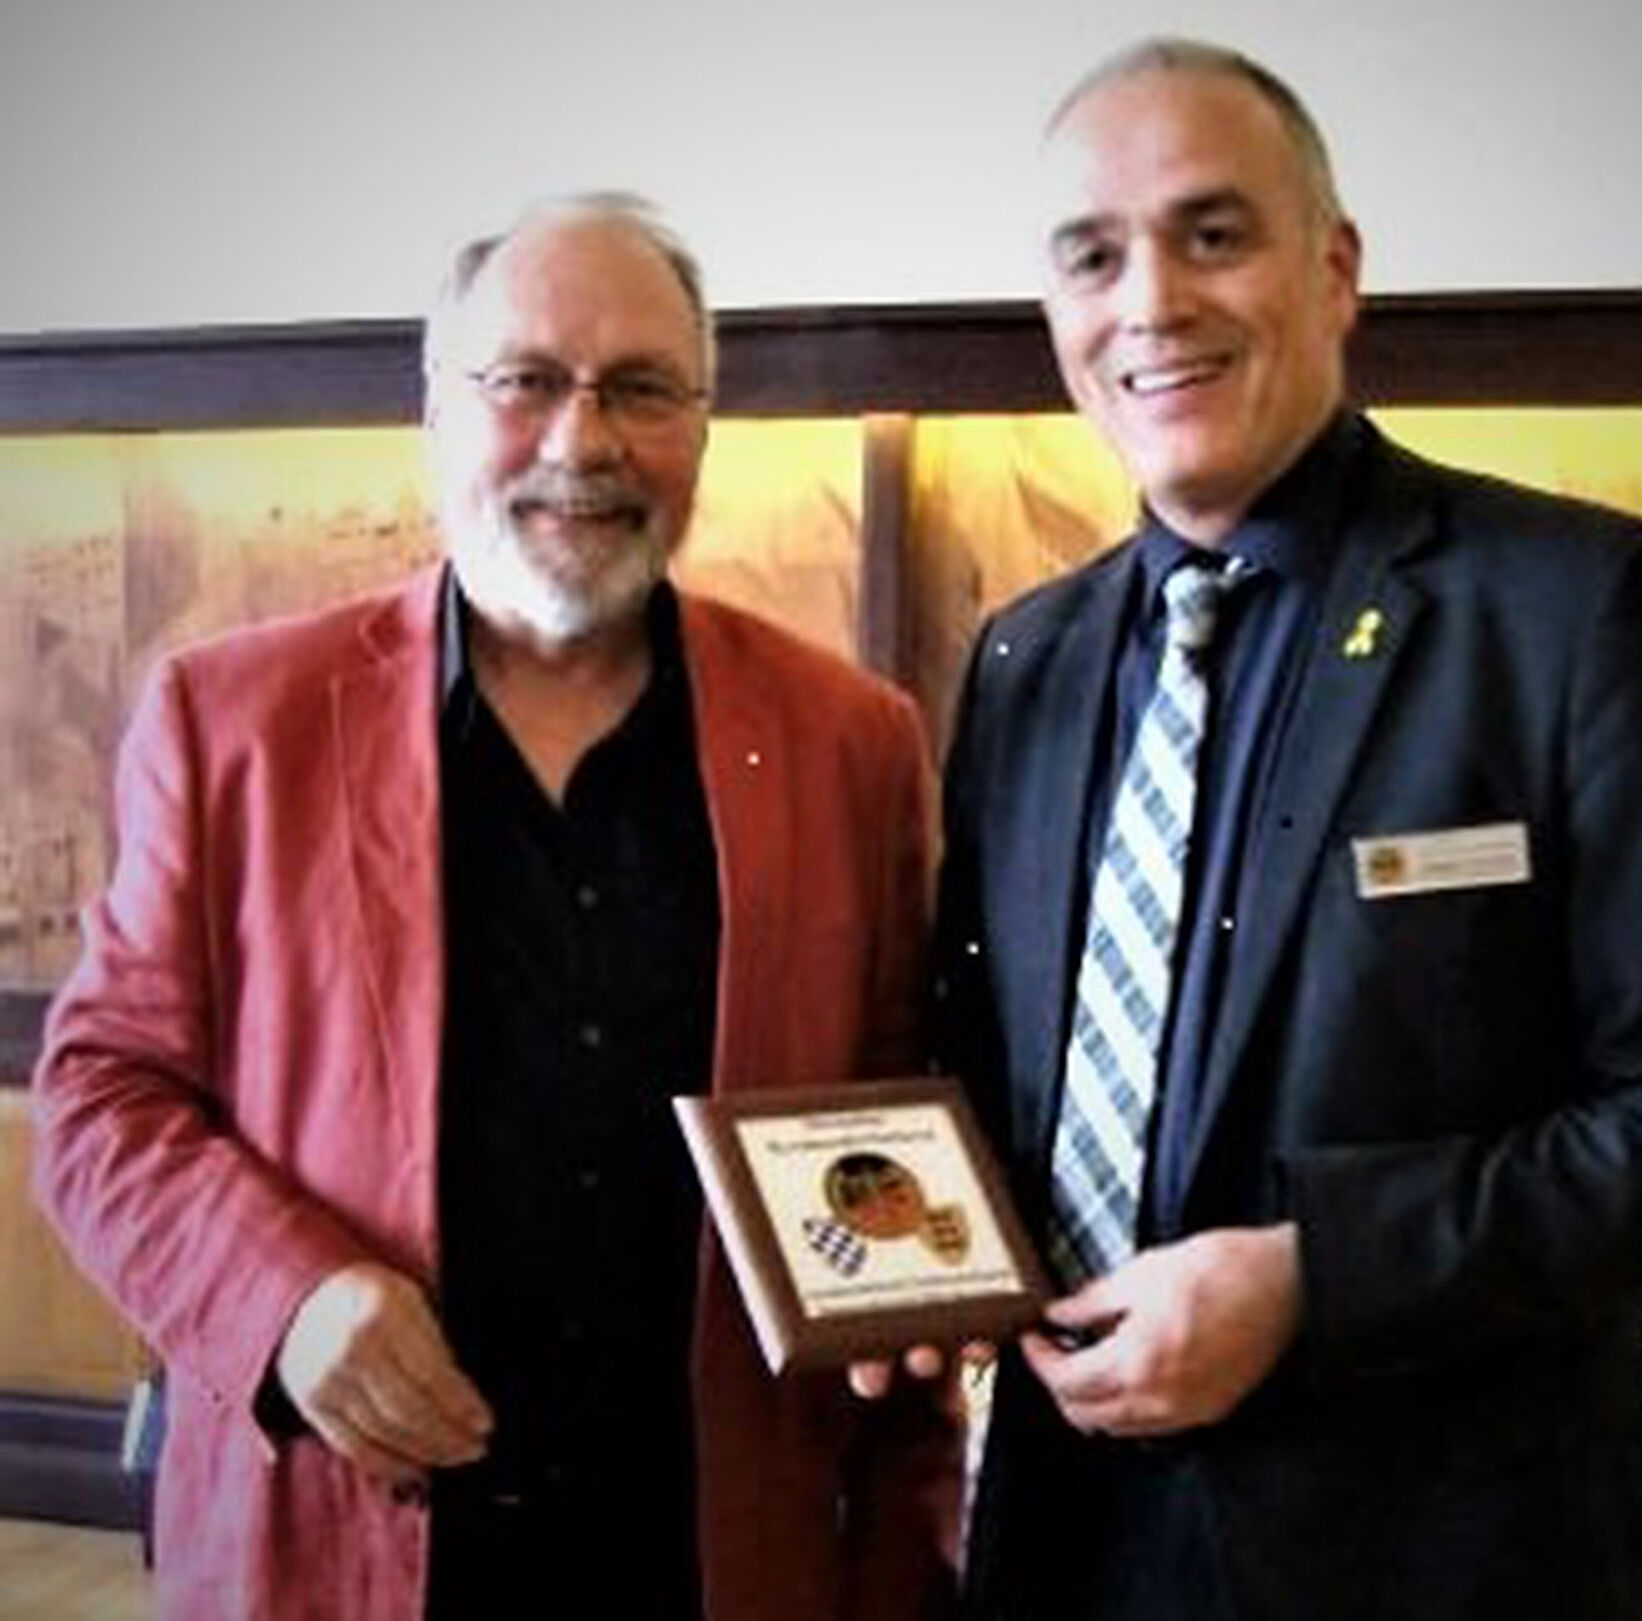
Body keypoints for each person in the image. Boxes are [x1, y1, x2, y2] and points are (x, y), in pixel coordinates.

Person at [926, 38, 1642, 1620]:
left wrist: (1316, 1278)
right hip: (1072, 1549)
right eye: (1093, 255)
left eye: (1215, 233)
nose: (1150, 302)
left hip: (1453, 1559)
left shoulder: (1578, 606)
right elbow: (979, 1067)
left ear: (1335, 269)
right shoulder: (1025, 660)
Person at [33, 192, 953, 1620]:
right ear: (437, 415)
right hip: (348, 1539)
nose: (582, 442)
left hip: (718, 1544)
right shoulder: (233, 722)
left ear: (702, 425)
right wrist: (288, 1299)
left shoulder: (851, 741)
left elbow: (901, 1113)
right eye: (524, 381)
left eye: (642, 388)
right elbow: (100, 1091)